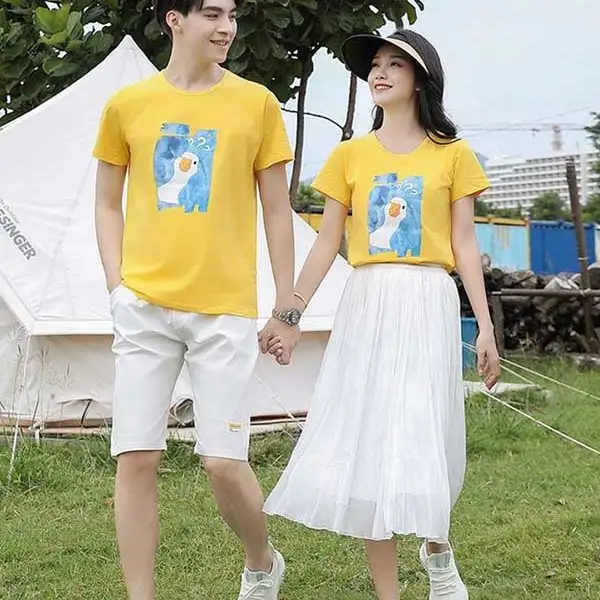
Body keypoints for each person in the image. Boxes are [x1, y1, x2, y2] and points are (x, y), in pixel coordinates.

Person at [260, 28, 501, 600]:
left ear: (421, 79)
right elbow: (327, 242)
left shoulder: (454, 154)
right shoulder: (350, 155)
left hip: (429, 300)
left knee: (425, 431)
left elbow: (465, 243)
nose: (380, 72)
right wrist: (290, 314)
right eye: (375, 64)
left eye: (396, 64)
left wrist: (485, 328)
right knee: (370, 443)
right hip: (366, 301)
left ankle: (438, 553)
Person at [93, 1, 301, 598]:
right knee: (135, 457)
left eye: (231, 15)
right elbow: (106, 202)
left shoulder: (256, 104)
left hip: (224, 310)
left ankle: (261, 561)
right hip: (143, 307)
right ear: (174, 20)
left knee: (222, 462)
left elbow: (277, 211)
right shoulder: (127, 106)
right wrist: (117, 284)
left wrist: (286, 308)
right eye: (212, 13)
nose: (226, 27)